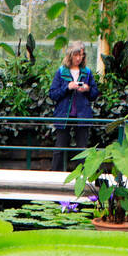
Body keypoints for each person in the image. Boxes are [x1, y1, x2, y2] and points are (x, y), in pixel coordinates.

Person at [49, 42, 98, 171]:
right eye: (76, 55)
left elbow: (94, 94)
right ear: (70, 55)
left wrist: (87, 89)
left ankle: (81, 176)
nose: (78, 58)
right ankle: (55, 175)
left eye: (81, 55)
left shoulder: (87, 72)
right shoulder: (61, 72)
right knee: (60, 146)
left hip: (82, 115)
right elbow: (53, 94)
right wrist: (67, 87)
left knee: (82, 148)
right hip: (64, 115)